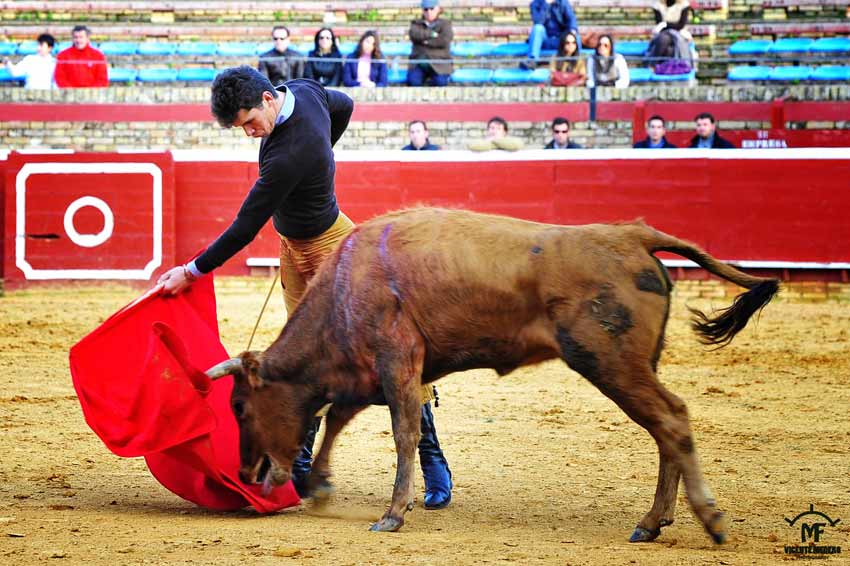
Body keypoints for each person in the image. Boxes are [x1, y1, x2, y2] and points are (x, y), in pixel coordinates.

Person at [156, 65, 452, 510]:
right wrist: (324, 159)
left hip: (335, 252)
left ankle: (430, 457)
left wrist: (193, 270)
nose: (250, 134)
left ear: (268, 101)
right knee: (302, 355)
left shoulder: (292, 153)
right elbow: (345, 105)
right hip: (294, 252)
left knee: (386, 353)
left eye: (250, 123)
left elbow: (243, 227)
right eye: (242, 128)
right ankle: (296, 467)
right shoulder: (304, 90)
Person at [408, 0, 453, 87]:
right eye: (426, 9)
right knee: (413, 82)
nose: (429, 12)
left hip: (440, 63)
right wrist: (432, 34)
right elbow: (414, 35)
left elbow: (444, 40)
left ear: (438, 9)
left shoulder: (445, 24)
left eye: (432, 8)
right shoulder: (416, 23)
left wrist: (425, 41)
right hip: (419, 62)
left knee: (440, 82)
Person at [525, 0, 579, 68]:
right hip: (544, 41)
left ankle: (575, 62)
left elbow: (571, 18)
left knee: (575, 36)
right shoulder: (535, 4)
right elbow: (538, 21)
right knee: (538, 28)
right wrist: (546, 4)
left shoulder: (562, 2)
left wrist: (572, 30)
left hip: (561, 39)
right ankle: (532, 60)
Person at [646, 0, 694, 73]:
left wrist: (665, 24)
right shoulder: (657, 5)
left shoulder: (684, 4)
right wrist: (665, 26)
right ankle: (656, 67)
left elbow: (681, 25)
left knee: (668, 45)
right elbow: (659, 22)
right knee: (665, 41)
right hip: (663, 33)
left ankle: (653, 65)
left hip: (680, 32)